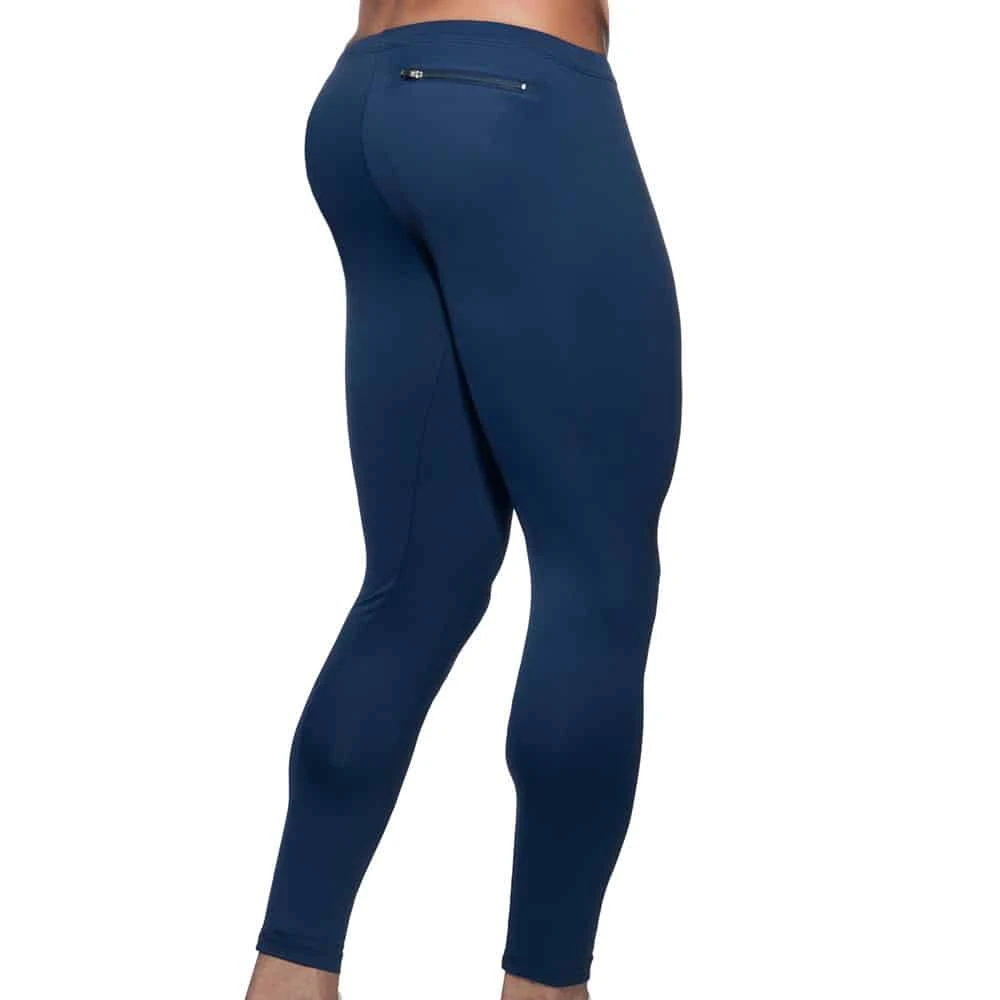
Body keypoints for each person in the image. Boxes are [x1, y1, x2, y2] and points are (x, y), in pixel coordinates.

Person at [245, 2, 681, 998]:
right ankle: (546, 985)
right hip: (513, 97)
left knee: (417, 585)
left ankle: (287, 973)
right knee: (596, 578)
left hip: (361, 101)